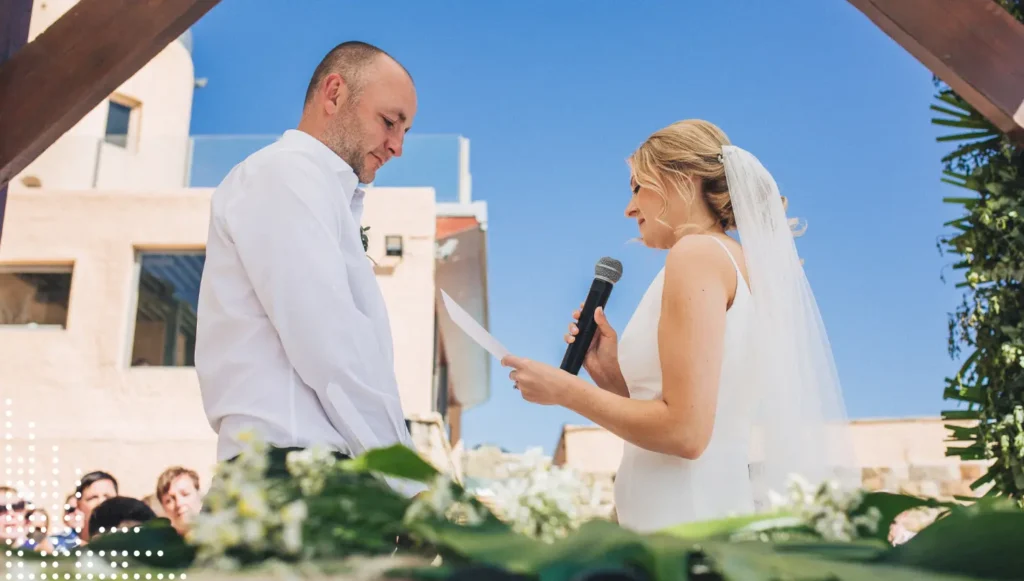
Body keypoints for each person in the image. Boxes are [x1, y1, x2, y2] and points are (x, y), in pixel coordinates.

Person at [501, 119, 855, 532]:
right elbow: (697, 414)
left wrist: (565, 390)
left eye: (637, 187)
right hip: (695, 510)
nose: (629, 209)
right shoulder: (733, 261)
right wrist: (613, 379)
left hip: (684, 523)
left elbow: (686, 433)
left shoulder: (695, 255)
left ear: (681, 180)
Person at [195, 41, 423, 496]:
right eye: (389, 122)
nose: (397, 146)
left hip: (313, 478)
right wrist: (410, 488)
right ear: (334, 93)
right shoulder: (284, 174)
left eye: (406, 131)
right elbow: (330, 344)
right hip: (290, 479)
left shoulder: (316, 190)